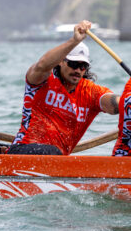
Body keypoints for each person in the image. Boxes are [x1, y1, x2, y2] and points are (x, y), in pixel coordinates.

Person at [8, 20, 119, 155]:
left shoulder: (91, 92)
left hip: (56, 159)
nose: (78, 70)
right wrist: (74, 41)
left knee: (56, 154)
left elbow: (115, 104)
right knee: (53, 152)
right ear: (61, 61)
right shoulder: (42, 80)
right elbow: (42, 65)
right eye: (73, 64)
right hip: (23, 149)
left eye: (83, 66)